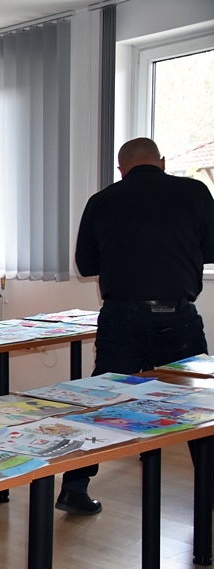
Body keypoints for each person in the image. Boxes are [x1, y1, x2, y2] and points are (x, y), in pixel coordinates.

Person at [60, 137, 214, 515]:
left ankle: (74, 488)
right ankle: (210, 494)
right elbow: (212, 250)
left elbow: (86, 265)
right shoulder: (194, 191)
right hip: (176, 317)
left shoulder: (102, 200)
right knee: (199, 407)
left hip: (120, 317)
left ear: (121, 169)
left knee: (99, 402)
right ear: (162, 161)